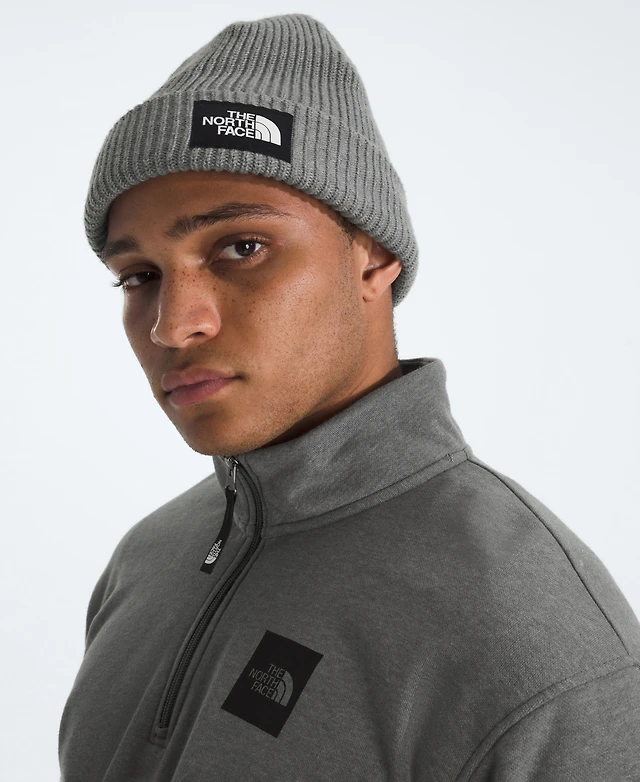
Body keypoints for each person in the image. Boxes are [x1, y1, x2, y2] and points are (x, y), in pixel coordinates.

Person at [58, 13, 640, 781]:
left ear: (375, 258)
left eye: (241, 247)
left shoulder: (531, 641)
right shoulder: (149, 557)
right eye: (139, 276)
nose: (173, 325)